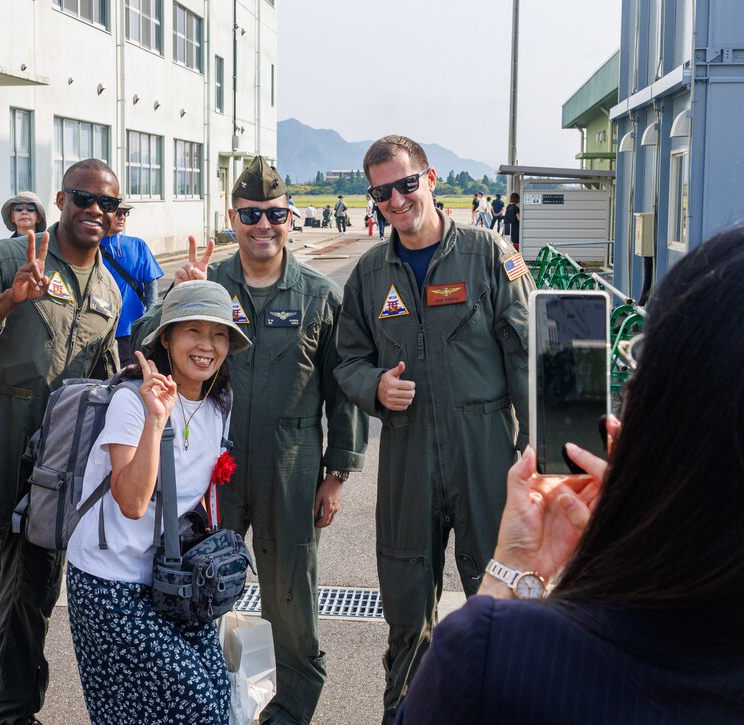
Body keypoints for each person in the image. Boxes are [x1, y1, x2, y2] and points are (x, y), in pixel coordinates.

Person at [400, 222, 744, 723]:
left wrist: (512, 570)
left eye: (642, 357)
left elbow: (517, 350)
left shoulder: (494, 659)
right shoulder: (376, 270)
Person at [134, 156, 368, 724]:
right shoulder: (207, 284)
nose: (263, 225)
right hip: (213, 464)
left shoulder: (317, 295)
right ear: (231, 218)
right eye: (249, 214)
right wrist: (174, 296)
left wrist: (336, 474)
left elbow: (342, 390)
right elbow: (146, 354)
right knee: (198, 589)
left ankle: (288, 712)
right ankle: (205, 704)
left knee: (291, 598)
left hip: (292, 465)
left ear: (289, 218)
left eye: (274, 214)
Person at [334, 135, 533, 725]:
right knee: (405, 604)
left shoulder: (491, 256)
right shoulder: (370, 274)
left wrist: (537, 451)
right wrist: (374, 386)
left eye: (405, 184)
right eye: (381, 192)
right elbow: (347, 359)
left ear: (432, 178)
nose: (396, 200)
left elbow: (526, 356)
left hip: (486, 450)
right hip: (407, 453)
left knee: (502, 604)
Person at [0, 160, 121, 724]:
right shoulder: (10, 257)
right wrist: (8, 301)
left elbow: (105, 375)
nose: (95, 211)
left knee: (30, 606)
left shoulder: (108, 291)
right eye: (84, 199)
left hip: (55, 472)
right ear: (61, 199)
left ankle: (11, 715)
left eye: (107, 204)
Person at [67, 280, 252, 725]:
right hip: (110, 583)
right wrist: (156, 419)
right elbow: (131, 502)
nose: (207, 346)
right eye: (193, 330)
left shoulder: (218, 401)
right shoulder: (132, 403)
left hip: (173, 579)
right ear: (166, 338)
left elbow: (197, 494)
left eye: (219, 333)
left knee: (218, 695)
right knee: (195, 706)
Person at [99, 203, 165, 366]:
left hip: (131, 328)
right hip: (99, 329)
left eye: (125, 213)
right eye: (117, 212)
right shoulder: (90, 246)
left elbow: (151, 284)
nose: (122, 217)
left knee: (130, 377)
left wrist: (150, 318)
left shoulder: (138, 245)